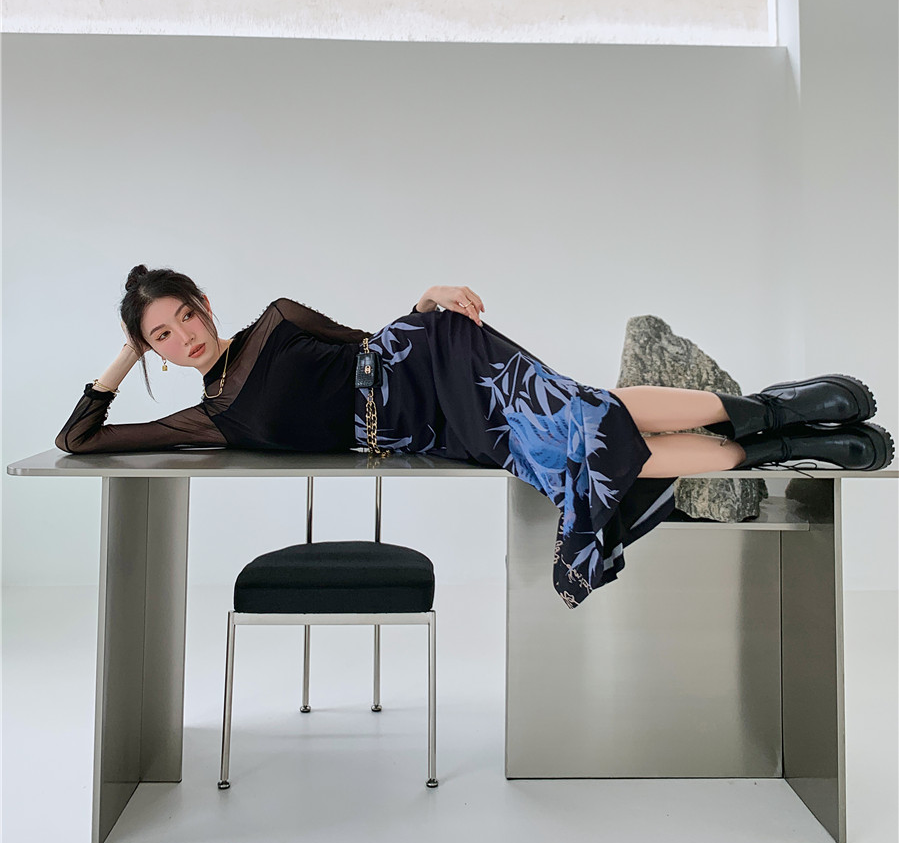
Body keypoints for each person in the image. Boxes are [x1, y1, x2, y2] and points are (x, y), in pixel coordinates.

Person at [56, 266, 894, 608]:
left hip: (435, 360)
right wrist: (122, 353)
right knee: (586, 430)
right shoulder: (206, 419)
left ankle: (774, 422)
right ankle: (773, 435)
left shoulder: (276, 320)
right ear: (153, 351)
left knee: (579, 415)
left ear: (204, 303)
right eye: (161, 336)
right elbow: (80, 439)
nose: (184, 336)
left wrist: (427, 301)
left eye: (184, 316)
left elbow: (367, 342)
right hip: (422, 430)